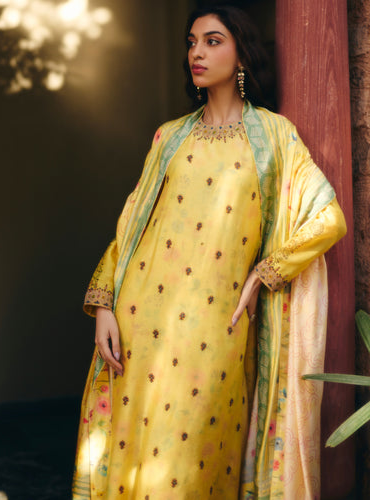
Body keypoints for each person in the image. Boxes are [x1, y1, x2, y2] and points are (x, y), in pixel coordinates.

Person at [72, 5, 346, 499]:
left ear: (242, 54)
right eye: (192, 41)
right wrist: (105, 305)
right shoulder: (170, 136)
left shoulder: (273, 136)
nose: (197, 52)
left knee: (193, 466)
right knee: (137, 462)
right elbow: (132, 227)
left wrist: (265, 272)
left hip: (220, 329)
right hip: (141, 327)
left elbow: (329, 219)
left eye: (213, 41)